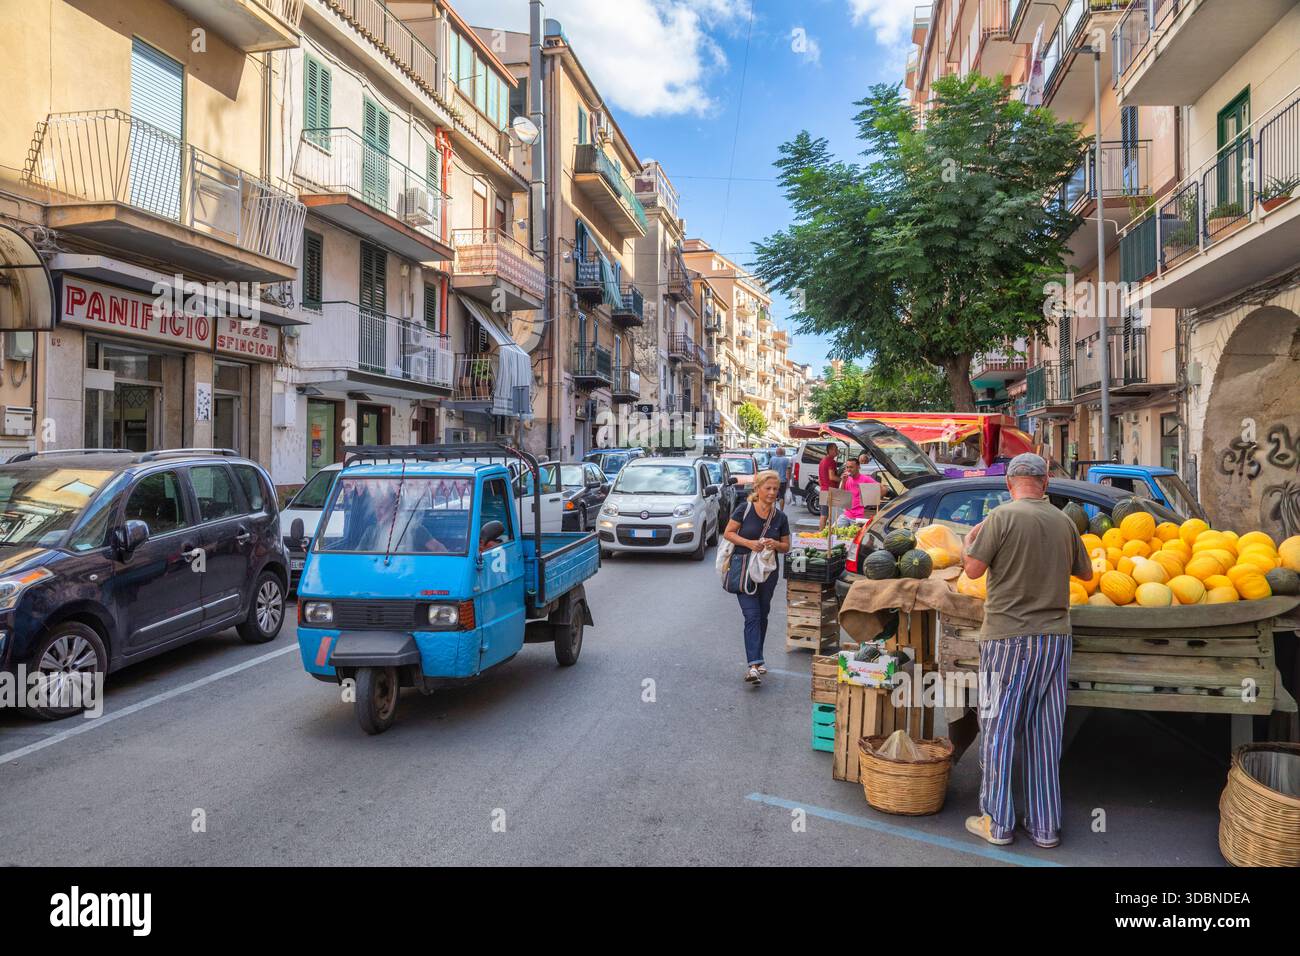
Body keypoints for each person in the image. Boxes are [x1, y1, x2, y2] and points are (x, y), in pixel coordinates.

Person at [960, 453, 1092, 849]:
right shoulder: (1065, 521)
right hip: (1055, 639)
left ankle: (998, 823)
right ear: (1046, 482)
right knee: (1046, 733)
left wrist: (969, 543)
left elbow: (972, 571)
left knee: (999, 729)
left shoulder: (1001, 517)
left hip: (1007, 638)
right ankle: (1045, 826)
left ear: (1009, 483)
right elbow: (1086, 574)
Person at [723, 470, 791, 685]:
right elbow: (728, 533)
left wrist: (775, 544)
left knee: (762, 615)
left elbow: (786, 546)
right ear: (758, 489)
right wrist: (749, 543)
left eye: (775, 489)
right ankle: (753, 665)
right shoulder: (744, 509)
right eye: (768, 488)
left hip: (767, 573)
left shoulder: (781, 517)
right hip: (743, 570)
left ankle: (758, 659)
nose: (772, 493)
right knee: (752, 616)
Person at [838, 457, 877, 522]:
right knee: (833, 530)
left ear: (858, 467)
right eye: (847, 467)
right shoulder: (846, 479)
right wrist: (843, 482)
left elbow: (880, 488)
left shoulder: (866, 479)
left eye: (851, 467)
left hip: (860, 516)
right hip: (847, 514)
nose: (849, 469)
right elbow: (841, 496)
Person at [817, 445, 841, 530]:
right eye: (836, 449)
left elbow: (819, 479)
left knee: (823, 515)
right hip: (830, 491)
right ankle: (828, 535)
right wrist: (842, 480)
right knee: (831, 515)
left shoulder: (822, 461)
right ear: (830, 450)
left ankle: (821, 534)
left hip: (823, 490)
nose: (837, 451)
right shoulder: (831, 461)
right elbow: (832, 477)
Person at [768, 445, 791, 510]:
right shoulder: (787, 460)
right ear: (783, 452)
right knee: (781, 497)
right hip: (783, 481)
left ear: (776, 452)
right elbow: (788, 472)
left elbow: (769, 470)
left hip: (773, 480)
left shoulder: (772, 459)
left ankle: (773, 510)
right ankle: (781, 511)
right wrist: (788, 482)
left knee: (773, 496)